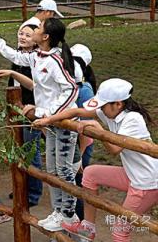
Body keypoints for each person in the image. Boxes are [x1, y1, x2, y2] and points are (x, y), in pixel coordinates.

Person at [34, 78, 158, 242]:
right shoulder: (112, 112)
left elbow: (114, 149)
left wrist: (98, 128)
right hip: (133, 174)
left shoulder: (132, 119)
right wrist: (49, 119)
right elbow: (77, 112)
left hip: (147, 183)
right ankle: (88, 227)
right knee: (91, 173)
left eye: (103, 105)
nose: (100, 109)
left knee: (120, 230)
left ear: (118, 104)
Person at [0, 18, 79, 232]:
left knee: (64, 170)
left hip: (63, 124)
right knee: (51, 169)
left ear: (46, 37)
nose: (35, 30)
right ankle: (58, 211)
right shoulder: (36, 56)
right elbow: (14, 55)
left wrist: (50, 113)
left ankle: (68, 214)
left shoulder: (55, 60)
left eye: (39, 28)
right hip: (48, 123)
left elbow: (71, 89)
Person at [0, 20, 43, 208]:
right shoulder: (19, 56)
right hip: (16, 109)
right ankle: (21, 186)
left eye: (27, 35)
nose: (22, 37)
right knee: (18, 148)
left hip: (31, 109)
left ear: (36, 39)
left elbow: (33, 86)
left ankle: (33, 193)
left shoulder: (36, 59)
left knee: (31, 150)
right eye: (21, 33)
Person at [70, 43, 97, 220]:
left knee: (78, 186)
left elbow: (87, 130)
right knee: (68, 187)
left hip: (81, 147)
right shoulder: (71, 86)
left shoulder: (85, 90)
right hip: (72, 145)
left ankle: (83, 225)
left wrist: (78, 158)